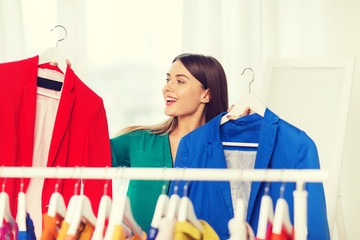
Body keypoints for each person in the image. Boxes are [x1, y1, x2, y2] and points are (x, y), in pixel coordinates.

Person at [110, 53, 230, 233]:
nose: (167, 87)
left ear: (206, 94)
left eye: (180, 81)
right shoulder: (137, 141)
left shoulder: (226, 149)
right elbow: (83, 150)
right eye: (168, 79)